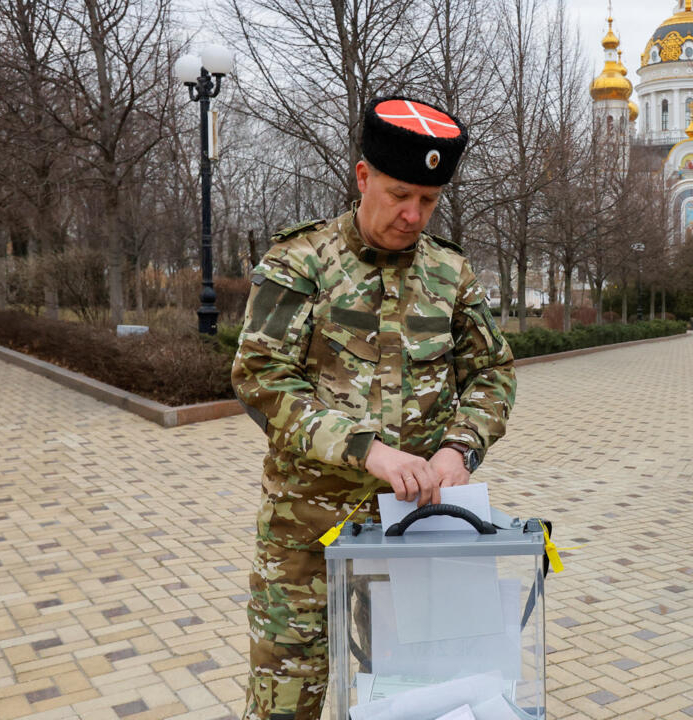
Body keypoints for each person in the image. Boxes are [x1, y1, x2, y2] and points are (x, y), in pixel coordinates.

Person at [231, 95, 517, 720]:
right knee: (286, 705)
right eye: (398, 195)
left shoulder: (451, 273)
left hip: (417, 532)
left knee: (418, 701)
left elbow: (492, 372)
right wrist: (368, 451)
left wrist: (458, 446)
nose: (413, 215)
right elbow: (260, 376)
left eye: (430, 201)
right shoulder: (300, 262)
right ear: (363, 178)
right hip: (306, 537)